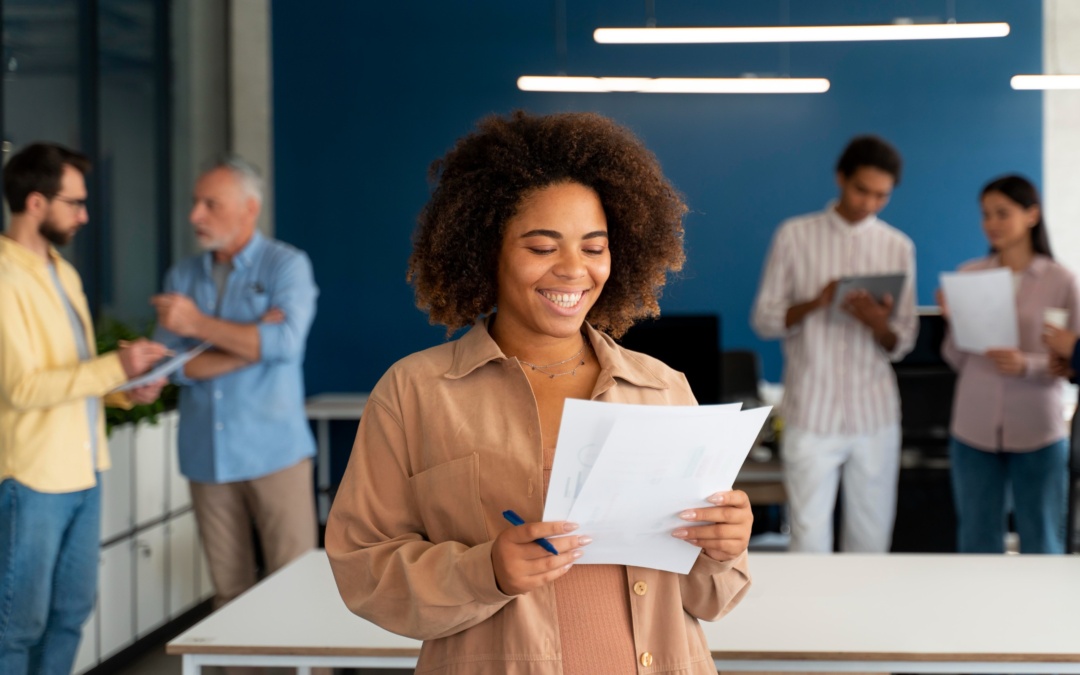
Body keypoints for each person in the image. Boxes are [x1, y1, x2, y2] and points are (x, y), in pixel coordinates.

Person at [325, 111, 752, 674]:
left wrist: (724, 547)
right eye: (542, 247)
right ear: (486, 252)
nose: (574, 270)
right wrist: (488, 572)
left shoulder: (662, 388)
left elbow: (711, 599)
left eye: (593, 247)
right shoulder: (415, 394)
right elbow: (364, 571)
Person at [0, 142, 168, 674]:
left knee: (71, 614)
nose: (84, 215)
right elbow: (22, 388)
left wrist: (125, 389)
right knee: (17, 626)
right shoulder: (3, 279)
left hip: (85, 472)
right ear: (34, 203)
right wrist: (115, 369)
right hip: (32, 479)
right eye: (74, 203)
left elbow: (73, 373)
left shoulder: (64, 273)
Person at [151, 155, 319, 613]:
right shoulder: (182, 275)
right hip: (206, 456)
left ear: (249, 209)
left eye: (210, 204)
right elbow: (170, 365)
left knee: (296, 590)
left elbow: (283, 343)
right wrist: (247, 342)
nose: (195, 216)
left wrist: (195, 324)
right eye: (194, 203)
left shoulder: (288, 266)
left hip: (275, 455)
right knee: (229, 596)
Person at [751, 135, 918, 553]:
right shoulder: (794, 236)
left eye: (882, 196)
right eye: (862, 190)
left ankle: (866, 618)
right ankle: (812, 620)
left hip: (874, 413)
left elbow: (903, 340)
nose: (869, 204)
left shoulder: (897, 246)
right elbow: (764, 320)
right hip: (811, 410)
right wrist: (816, 302)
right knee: (808, 538)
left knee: (872, 537)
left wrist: (879, 322)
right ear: (841, 178)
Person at [940, 174, 1078, 554]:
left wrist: (1027, 365)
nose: (992, 224)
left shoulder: (1061, 280)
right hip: (973, 428)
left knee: (1043, 539)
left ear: (1032, 214)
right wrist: (954, 322)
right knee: (976, 541)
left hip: (1038, 428)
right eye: (986, 215)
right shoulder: (969, 275)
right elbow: (956, 359)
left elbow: (1072, 359)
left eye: (1003, 213)